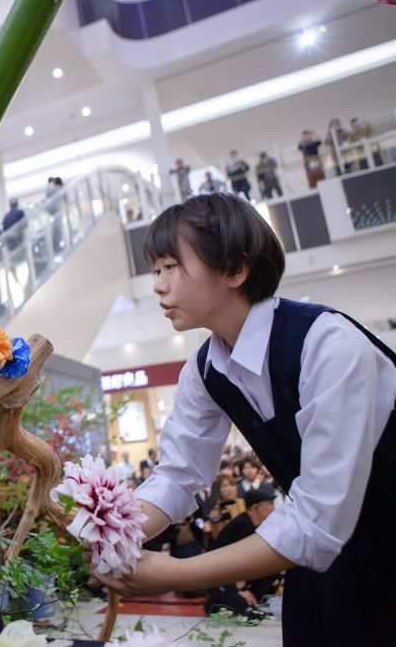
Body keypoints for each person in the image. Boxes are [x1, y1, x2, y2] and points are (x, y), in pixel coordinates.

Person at [94, 192, 396, 645]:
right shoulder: (205, 369)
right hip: (316, 563)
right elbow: (179, 477)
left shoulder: (328, 344)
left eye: (170, 267)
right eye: (155, 270)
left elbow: (317, 521)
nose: (157, 284)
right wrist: (112, 530)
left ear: (236, 269)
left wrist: (176, 572)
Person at [203, 487, 280, 619]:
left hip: (234, 574)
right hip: (218, 574)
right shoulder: (242, 524)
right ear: (255, 507)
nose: (272, 508)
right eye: (268, 504)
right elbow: (238, 561)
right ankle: (231, 601)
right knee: (250, 617)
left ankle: (250, 601)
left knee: (272, 570)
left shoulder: (258, 525)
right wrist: (241, 590)